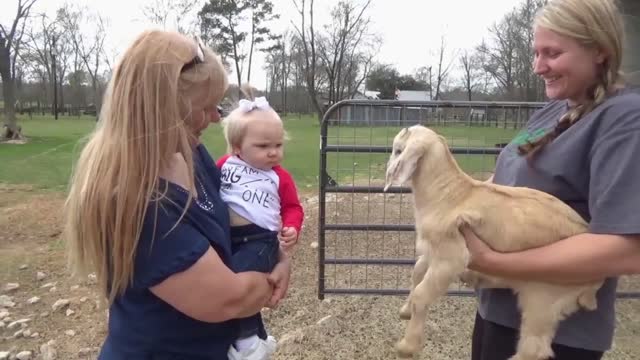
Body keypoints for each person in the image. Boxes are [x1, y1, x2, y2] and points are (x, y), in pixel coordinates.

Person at [63, 30, 291, 359]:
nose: (216, 118)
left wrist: (280, 256)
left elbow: (236, 223)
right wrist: (270, 278)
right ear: (164, 109)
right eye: (206, 107)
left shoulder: (189, 154)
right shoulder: (136, 202)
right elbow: (229, 298)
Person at [459, 0, 640, 359]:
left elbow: (626, 249)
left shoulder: (625, 120)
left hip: (555, 334)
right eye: (536, 52)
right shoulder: (554, 110)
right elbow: (505, 180)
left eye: (552, 53)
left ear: (600, 51)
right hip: (499, 313)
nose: (538, 67)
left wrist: (494, 263)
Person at [217, 88, 304, 359]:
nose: (273, 153)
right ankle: (259, 338)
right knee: (228, 284)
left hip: (260, 241)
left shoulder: (280, 177)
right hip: (228, 239)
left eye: (278, 145)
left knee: (238, 283)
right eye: (263, 146)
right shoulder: (224, 166)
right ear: (236, 146)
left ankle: (248, 344)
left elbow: (292, 207)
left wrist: (292, 226)